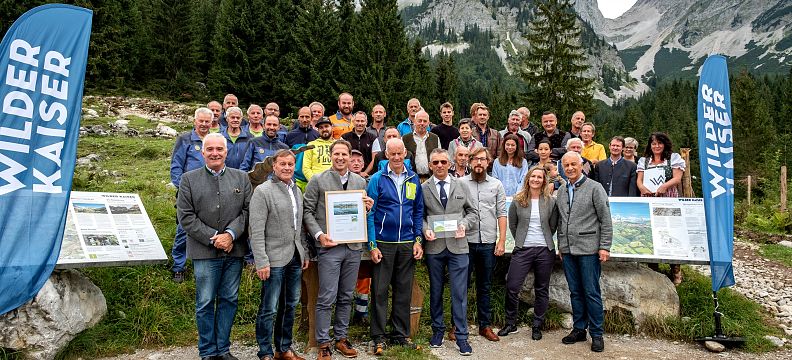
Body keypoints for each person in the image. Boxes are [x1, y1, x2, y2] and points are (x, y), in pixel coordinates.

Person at [176, 133, 251, 360]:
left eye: (219, 149)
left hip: (233, 250)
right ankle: (207, 351)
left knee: (229, 300)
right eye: (210, 149)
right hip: (204, 251)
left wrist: (230, 234)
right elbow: (186, 217)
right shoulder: (188, 179)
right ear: (203, 152)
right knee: (205, 302)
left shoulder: (241, 178)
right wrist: (214, 237)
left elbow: (247, 212)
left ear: (226, 152)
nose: (215, 153)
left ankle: (223, 349)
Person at [303, 140, 373, 360]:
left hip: (353, 247)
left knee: (346, 295)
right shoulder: (318, 180)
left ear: (350, 158)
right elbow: (307, 212)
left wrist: (367, 209)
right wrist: (319, 235)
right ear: (331, 156)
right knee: (326, 296)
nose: (341, 158)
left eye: (345, 154)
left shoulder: (360, 181)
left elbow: (361, 214)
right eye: (337, 154)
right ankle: (323, 342)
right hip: (330, 246)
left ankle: (341, 338)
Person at [250, 149, 310, 360]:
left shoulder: (296, 190)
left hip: (294, 257)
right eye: (282, 164)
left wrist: (304, 253)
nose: (286, 168)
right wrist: (261, 261)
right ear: (274, 166)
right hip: (272, 259)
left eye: (290, 164)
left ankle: (283, 348)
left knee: (290, 304)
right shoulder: (263, 191)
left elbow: (299, 226)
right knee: (269, 307)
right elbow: (255, 230)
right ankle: (265, 352)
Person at [366, 138, 424, 355]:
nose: (397, 157)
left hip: (407, 243)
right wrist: (372, 245)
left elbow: (418, 211)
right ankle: (378, 337)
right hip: (383, 243)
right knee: (380, 291)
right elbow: (369, 213)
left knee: (403, 292)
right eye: (393, 154)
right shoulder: (377, 179)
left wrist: (418, 240)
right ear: (386, 155)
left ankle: (400, 334)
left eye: (400, 154)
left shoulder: (413, 178)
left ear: (406, 153)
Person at [422, 149, 478, 355]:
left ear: (450, 163)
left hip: (458, 246)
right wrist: (424, 228)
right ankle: (437, 331)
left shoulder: (461, 185)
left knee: (459, 293)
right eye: (435, 162)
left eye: (443, 162)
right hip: (435, 247)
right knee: (436, 291)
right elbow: (420, 215)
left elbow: (473, 212)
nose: (439, 165)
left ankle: (461, 336)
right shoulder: (424, 188)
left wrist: (464, 224)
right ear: (430, 165)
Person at [557, 151, 612, 353]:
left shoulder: (595, 188)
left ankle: (597, 334)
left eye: (573, 164)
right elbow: (562, 221)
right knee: (575, 291)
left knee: (591, 292)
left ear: (581, 165)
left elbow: (605, 219)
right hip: (568, 250)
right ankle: (579, 329)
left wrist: (605, 246)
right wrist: (561, 245)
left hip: (589, 249)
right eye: (566, 165)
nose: (570, 168)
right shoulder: (562, 190)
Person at [499, 166, 558, 340]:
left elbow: (553, 225)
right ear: (528, 179)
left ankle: (537, 326)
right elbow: (513, 225)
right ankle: (511, 323)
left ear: (544, 180)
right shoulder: (518, 200)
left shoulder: (550, 201)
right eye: (533, 176)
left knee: (541, 288)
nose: (536, 180)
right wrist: (521, 241)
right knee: (512, 286)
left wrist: (544, 239)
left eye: (540, 177)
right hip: (523, 249)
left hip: (544, 250)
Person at [460, 147, 507, 343]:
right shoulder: (460, 184)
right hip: (464, 243)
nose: (479, 163)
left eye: (483, 159)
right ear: (470, 162)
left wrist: (502, 240)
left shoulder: (496, 185)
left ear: (489, 162)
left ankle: (484, 325)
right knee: (461, 285)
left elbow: (501, 213)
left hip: (488, 242)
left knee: (485, 286)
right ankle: (458, 325)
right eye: (475, 159)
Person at [636, 132, 686, 284]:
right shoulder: (644, 161)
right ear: (650, 146)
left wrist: (664, 186)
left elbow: (677, 178)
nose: (656, 146)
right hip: (649, 199)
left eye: (659, 143)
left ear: (665, 144)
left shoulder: (674, 158)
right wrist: (643, 189)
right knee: (650, 231)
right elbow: (639, 180)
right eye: (653, 143)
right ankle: (653, 267)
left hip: (668, 198)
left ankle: (675, 269)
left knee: (670, 232)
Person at [170, 107, 212, 283]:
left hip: (210, 192)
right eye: (200, 121)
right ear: (195, 121)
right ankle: (178, 266)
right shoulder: (185, 139)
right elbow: (176, 166)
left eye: (207, 121)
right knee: (184, 229)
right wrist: (184, 188)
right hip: (188, 193)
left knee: (206, 228)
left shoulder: (214, 140)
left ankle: (201, 263)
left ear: (211, 123)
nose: (203, 124)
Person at [402, 110, 440, 179]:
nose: (422, 123)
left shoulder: (435, 138)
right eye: (419, 121)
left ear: (428, 123)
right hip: (410, 178)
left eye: (425, 121)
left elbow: (439, 158)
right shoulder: (405, 139)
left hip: (431, 178)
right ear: (414, 122)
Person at [342, 111, 378, 177]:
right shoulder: (344, 138)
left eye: (362, 121)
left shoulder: (373, 138)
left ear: (366, 122)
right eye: (357, 121)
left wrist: (364, 172)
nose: (360, 123)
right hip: (348, 176)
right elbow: (342, 157)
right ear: (353, 121)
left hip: (367, 176)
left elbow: (374, 159)